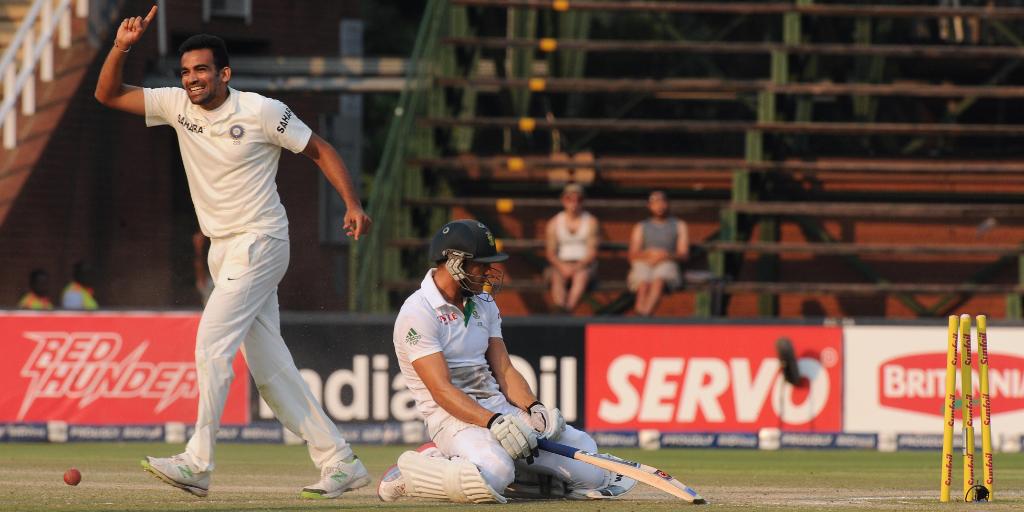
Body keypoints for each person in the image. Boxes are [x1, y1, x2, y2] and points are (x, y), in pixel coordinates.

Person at [93, 6, 372, 500]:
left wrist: (351, 203)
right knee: (270, 372)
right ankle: (340, 460)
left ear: (225, 73)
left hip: (261, 240)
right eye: (185, 72)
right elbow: (107, 94)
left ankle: (198, 462)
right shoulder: (176, 105)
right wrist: (122, 47)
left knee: (211, 343)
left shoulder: (261, 111)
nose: (192, 79)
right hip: (223, 251)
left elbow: (322, 150)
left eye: (201, 70)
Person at [377, 219, 635, 503]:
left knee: (588, 462)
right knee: (495, 472)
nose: (489, 273)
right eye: (482, 265)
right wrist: (493, 422)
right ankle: (427, 462)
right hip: (451, 420)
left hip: (497, 409)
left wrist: (534, 408)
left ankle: (520, 476)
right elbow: (441, 390)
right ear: (454, 262)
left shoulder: (484, 303)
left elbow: (504, 369)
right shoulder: (418, 312)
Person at [627, 190, 689, 316]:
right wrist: (649, 254)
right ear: (649, 206)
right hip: (644, 262)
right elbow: (632, 254)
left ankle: (642, 317)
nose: (659, 206)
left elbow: (684, 254)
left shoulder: (679, 225)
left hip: (667, 263)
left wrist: (666, 255)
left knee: (658, 282)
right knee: (643, 285)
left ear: (668, 204)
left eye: (662, 202)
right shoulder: (641, 226)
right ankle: (641, 316)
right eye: (655, 203)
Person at [544, 184, 599, 312]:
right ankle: (561, 309)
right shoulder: (554, 222)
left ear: (583, 201)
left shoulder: (591, 222)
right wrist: (562, 266)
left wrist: (576, 267)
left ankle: (566, 311)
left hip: (584, 265)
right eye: (570, 199)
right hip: (560, 263)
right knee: (556, 276)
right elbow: (550, 253)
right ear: (563, 200)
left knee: (581, 276)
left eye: (578, 199)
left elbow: (592, 252)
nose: (574, 203)